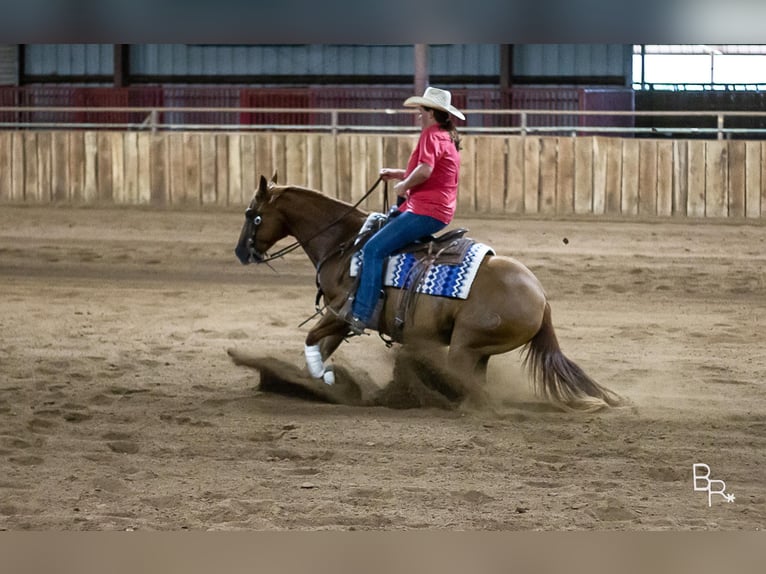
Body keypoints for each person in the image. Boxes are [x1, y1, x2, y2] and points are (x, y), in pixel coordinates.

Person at [346, 86, 465, 335]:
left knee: (373, 249)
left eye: (421, 111)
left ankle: (361, 313)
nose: (417, 115)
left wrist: (403, 184)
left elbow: (425, 172)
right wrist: (399, 174)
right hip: (439, 209)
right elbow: (436, 174)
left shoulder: (431, 135)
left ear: (432, 113)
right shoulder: (446, 136)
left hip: (425, 210)